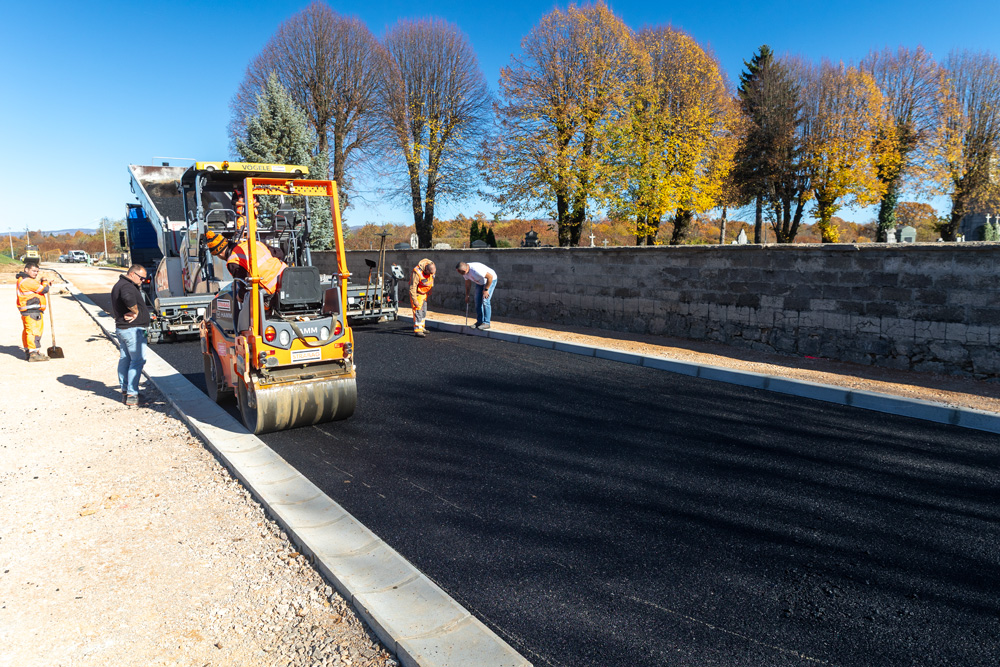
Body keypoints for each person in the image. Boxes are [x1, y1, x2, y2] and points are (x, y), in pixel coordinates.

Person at [111, 264, 151, 407]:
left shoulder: (119, 284)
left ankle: (125, 391)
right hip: (132, 330)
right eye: (141, 278)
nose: (143, 281)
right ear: (133, 274)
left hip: (123, 329)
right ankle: (132, 394)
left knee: (125, 359)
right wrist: (136, 312)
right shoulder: (127, 286)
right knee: (137, 361)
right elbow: (128, 298)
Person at [15, 262, 50, 361]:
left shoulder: (23, 280)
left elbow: (36, 288)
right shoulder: (28, 282)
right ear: (26, 269)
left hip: (28, 310)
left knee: (28, 331)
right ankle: (33, 353)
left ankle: (29, 351)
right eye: (33, 271)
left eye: (37, 271)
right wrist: (45, 281)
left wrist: (44, 283)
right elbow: (44, 289)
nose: (36, 273)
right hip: (32, 311)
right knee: (34, 332)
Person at [456, 261, 498, 330]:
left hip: (490, 280)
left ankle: (487, 323)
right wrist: (467, 295)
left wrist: (486, 290)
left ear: (465, 269)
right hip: (480, 282)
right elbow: (467, 283)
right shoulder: (464, 272)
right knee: (477, 301)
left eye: (461, 272)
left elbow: (490, 277)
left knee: (485, 300)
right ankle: (480, 321)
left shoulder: (476, 270)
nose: (461, 274)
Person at [409, 259, 436, 337]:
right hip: (417, 294)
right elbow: (412, 287)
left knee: (423, 311)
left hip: (424, 293)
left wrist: (430, 289)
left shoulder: (432, 268)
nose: (431, 274)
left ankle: (421, 327)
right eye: (429, 273)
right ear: (426, 270)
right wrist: (414, 300)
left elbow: (432, 279)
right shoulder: (417, 272)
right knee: (418, 311)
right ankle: (418, 330)